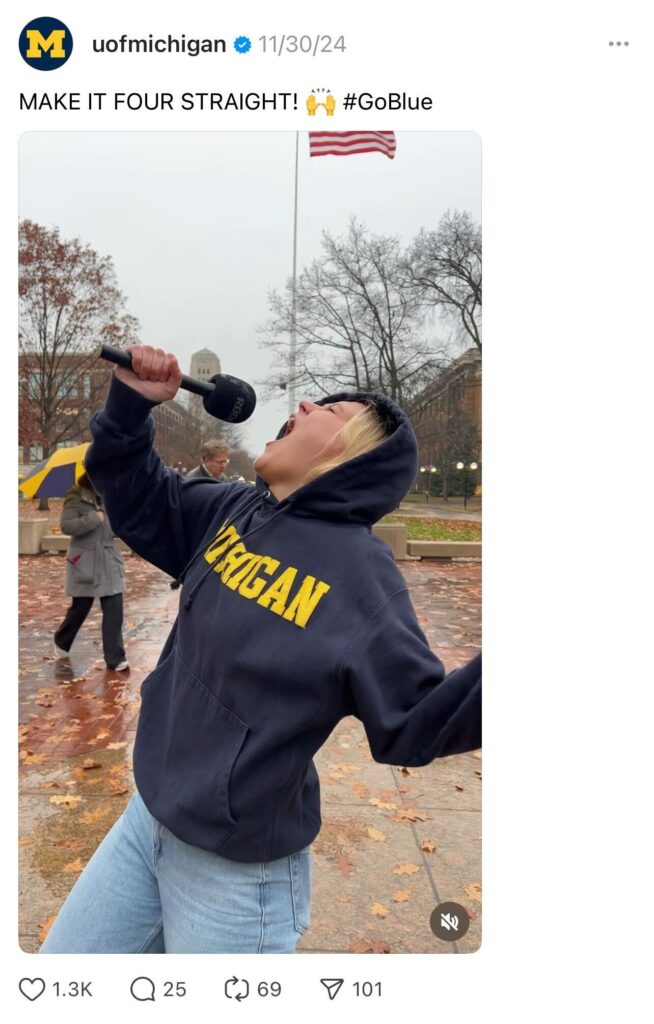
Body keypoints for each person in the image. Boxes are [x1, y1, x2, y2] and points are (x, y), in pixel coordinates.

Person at [40, 345, 481, 955]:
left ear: (356, 450)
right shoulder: (232, 510)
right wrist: (130, 406)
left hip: (237, 876)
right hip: (146, 823)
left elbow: (413, 723)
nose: (302, 404)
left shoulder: (361, 576)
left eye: (332, 409)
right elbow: (140, 502)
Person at [53, 472, 128, 672]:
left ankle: (115, 658)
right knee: (81, 607)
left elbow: (115, 527)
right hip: (85, 560)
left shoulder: (111, 494)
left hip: (109, 557)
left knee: (114, 609)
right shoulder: (76, 494)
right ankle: (62, 639)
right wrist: (93, 518)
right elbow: (66, 526)